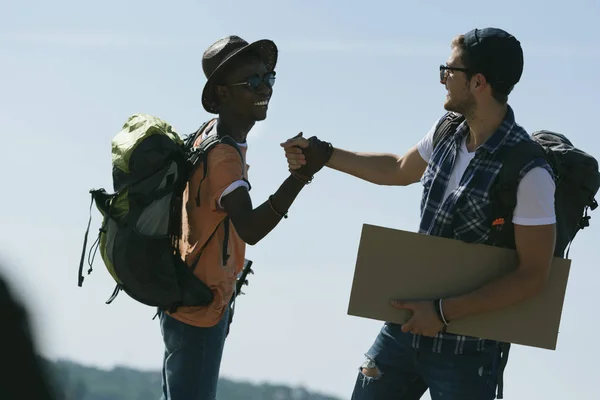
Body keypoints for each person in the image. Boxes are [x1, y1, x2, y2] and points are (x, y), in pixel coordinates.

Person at [281, 27, 557, 400]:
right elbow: (397, 169)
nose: (443, 77)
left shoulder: (530, 171)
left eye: (450, 70)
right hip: (404, 326)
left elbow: (533, 276)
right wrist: (325, 155)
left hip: (467, 352)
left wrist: (441, 312)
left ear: (478, 82)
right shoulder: (447, 131)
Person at [158, 35, 331, 400]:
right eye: (252, 82)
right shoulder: (223, 155)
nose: (264, 87)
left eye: (268, 78)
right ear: (222, 93)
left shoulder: (210, 137)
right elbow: (250, 228)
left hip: (187, 297)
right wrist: (300, 177)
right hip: (201, 308)